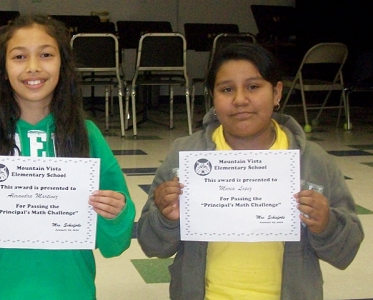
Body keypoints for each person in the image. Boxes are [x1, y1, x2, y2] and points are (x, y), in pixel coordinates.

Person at [136, 43, 364, 299]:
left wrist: (326, 224)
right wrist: (166, 219)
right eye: (227, 89)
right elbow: (151, 244)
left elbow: (346, 251)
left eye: (253, 87)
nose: (240, 99)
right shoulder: (185, 156)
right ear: (213, 96)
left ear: (277, 92)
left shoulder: (314, 162)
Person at [0, 15, 135, 299]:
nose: (33, 67)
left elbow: (115, 244)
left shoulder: (86, 136)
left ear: (63, 64)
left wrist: (116, 215)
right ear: (3, 69)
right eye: (19, 56)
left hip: (70, 290)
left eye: (46, 54)